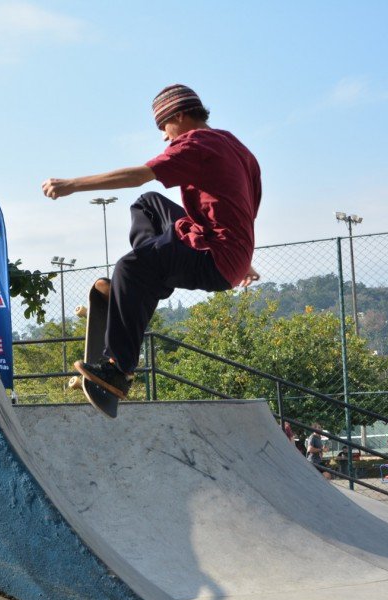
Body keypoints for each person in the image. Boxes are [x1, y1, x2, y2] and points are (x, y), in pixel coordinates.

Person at [42, 84, 261, 399]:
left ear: (181, 115)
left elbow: (137, 175)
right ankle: (140, 288)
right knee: (148, 204)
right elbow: (241, 206)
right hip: (225, 248)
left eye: (163, 127)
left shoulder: (194, 144)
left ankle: (118, 369)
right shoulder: (236, 147)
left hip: (214, 257)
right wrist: (242, 256)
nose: (164, 137)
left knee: (130, 267)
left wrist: (72, 184)